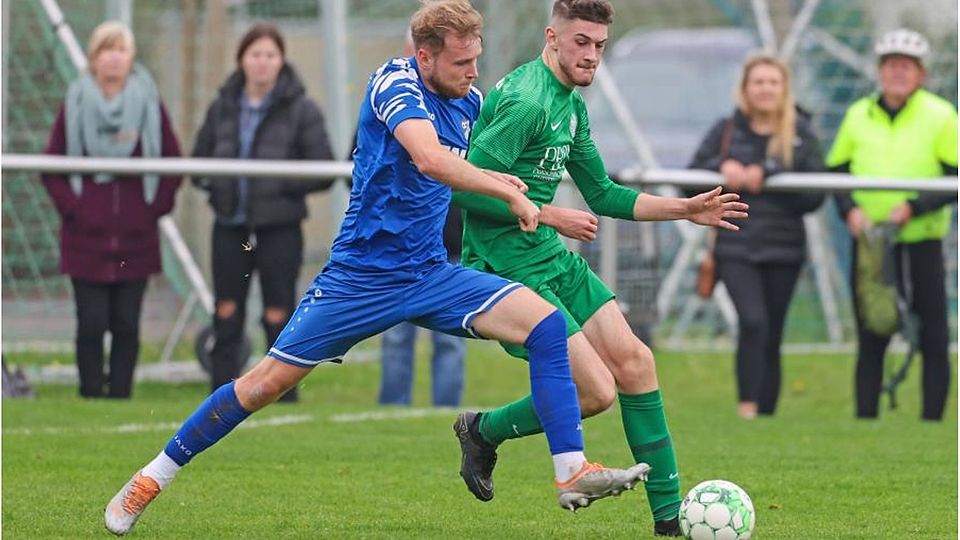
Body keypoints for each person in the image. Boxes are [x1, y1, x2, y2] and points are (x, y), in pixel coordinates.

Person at [104, 2, 650, 535]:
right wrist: (509, 194)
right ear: (425, 57)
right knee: (262, 385)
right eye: (461, 63)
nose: (473, 73)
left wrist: (536, 201)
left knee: (546, 324)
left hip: (432, 274)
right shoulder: (394, 84)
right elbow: (431, 160)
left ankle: (570, 471)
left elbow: (497, 168)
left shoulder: (471, 98)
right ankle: (152, 477)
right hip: (360, 279)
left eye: (476, 60)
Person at [450, 1, 748, 536]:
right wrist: (547, 214)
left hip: (546, 254)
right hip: (504, 264)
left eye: (600, 46)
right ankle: (483, 430)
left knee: (635, 363)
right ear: (552, 37)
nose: (591, 56)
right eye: (581, 42)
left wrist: (685, 209)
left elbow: (603, 193)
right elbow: (466, 187)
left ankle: (669, 523)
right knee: (596, 393)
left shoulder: (570, 104)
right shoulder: (525, 101)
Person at [192, 23, 335, 402]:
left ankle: (282, 397)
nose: (262, 63)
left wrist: (278, 187)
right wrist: (216, 186)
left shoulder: (302, 109)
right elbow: (199, 160)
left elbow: (322, 168)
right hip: (231, 228)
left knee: (279, 312)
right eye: (255, 54)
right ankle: (219, 396)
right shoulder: (223, 106)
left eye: (270, 55)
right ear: (241, 59)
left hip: (279, 228)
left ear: (281, 60)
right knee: (226, 312)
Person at [41, 21, 182, 399]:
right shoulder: (74, 101)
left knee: (125, 323)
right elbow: (51, 166)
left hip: (136, 238)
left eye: (121, 49)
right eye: (107, 49)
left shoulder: (149, 102)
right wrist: (76, 209)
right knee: (91, 322)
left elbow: (172, 161)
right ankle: (89, 393)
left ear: (131, 56)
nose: (114, 57)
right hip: (85, 238)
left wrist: (152, 209)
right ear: (94, 57)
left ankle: (120, 395)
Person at [827, 28, 957, 421]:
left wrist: (914, 207)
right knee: (872, 333)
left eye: (906, 66)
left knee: (934, 335)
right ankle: (866, 420)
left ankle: (931, 421)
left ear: (920, 74)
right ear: (881, 71)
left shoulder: (941, 115)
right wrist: (849, 210)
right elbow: (836, 171)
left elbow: (955, 176)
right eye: (891, 65)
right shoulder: (857, 115)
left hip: (921, 242)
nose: (897, 73)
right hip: (871, 244)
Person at [689, 53, 825, 419]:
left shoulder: (800, 133)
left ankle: (766, 415)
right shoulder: (726, 131)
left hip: (785, 247)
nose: (765, 89)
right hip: (736, 243)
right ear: (746, 89)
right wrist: (722, 168)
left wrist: (770, 173)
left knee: (773, 332)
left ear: (784, 89)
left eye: (773, 82)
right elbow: (689, 176)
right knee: (753, 321)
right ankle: (747, 407)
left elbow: (816, 195)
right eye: (758, 82)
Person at [377, 30, 467, 408]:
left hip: (447, 243)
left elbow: (471, 171)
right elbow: (367, 166)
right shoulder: (391, 95)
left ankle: (444, 411)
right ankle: (393, 409)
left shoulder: (467, 106)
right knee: (395, 332)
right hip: (395, 248)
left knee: (450, 335)